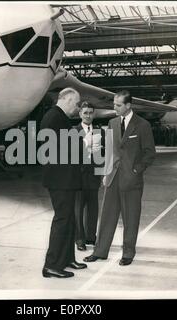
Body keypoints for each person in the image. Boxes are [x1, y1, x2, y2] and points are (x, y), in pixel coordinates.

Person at [84, 90, 156, 266]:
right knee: (107, 216)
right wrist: (105, 173)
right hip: (113, 177)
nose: (113, 107)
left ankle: (128, 253)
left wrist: (136, 170)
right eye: (114, 104)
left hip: (131, 179)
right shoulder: (112, 123)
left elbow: (150, 153)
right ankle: (100, 252)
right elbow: (109, 151)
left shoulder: (142, 125)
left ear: (128, 105)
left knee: (131, 218)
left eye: (118, 105)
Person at [40, 87, 93, 278]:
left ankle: (67, 259)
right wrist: (84, 143)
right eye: (77, 103)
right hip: (59, 179)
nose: (77, 107)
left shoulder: (58, 118)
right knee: (62, 220)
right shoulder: (54, 118)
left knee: (69, 219)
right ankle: (51, 265)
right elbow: (57, 149)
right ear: (68, 100)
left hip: (64, 178)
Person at [75, 101, 105, 251]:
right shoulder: (73, 131)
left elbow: (105, 154)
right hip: (78, 177)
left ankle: (91, 237)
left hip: (94, 176)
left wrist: (104, 172)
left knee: (93, 208)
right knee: (78, 209)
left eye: (90, 112)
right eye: (85, 112)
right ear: (80, 113)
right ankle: (79, 239)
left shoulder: (100, 132)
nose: (88, 115)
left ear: (94, 114)